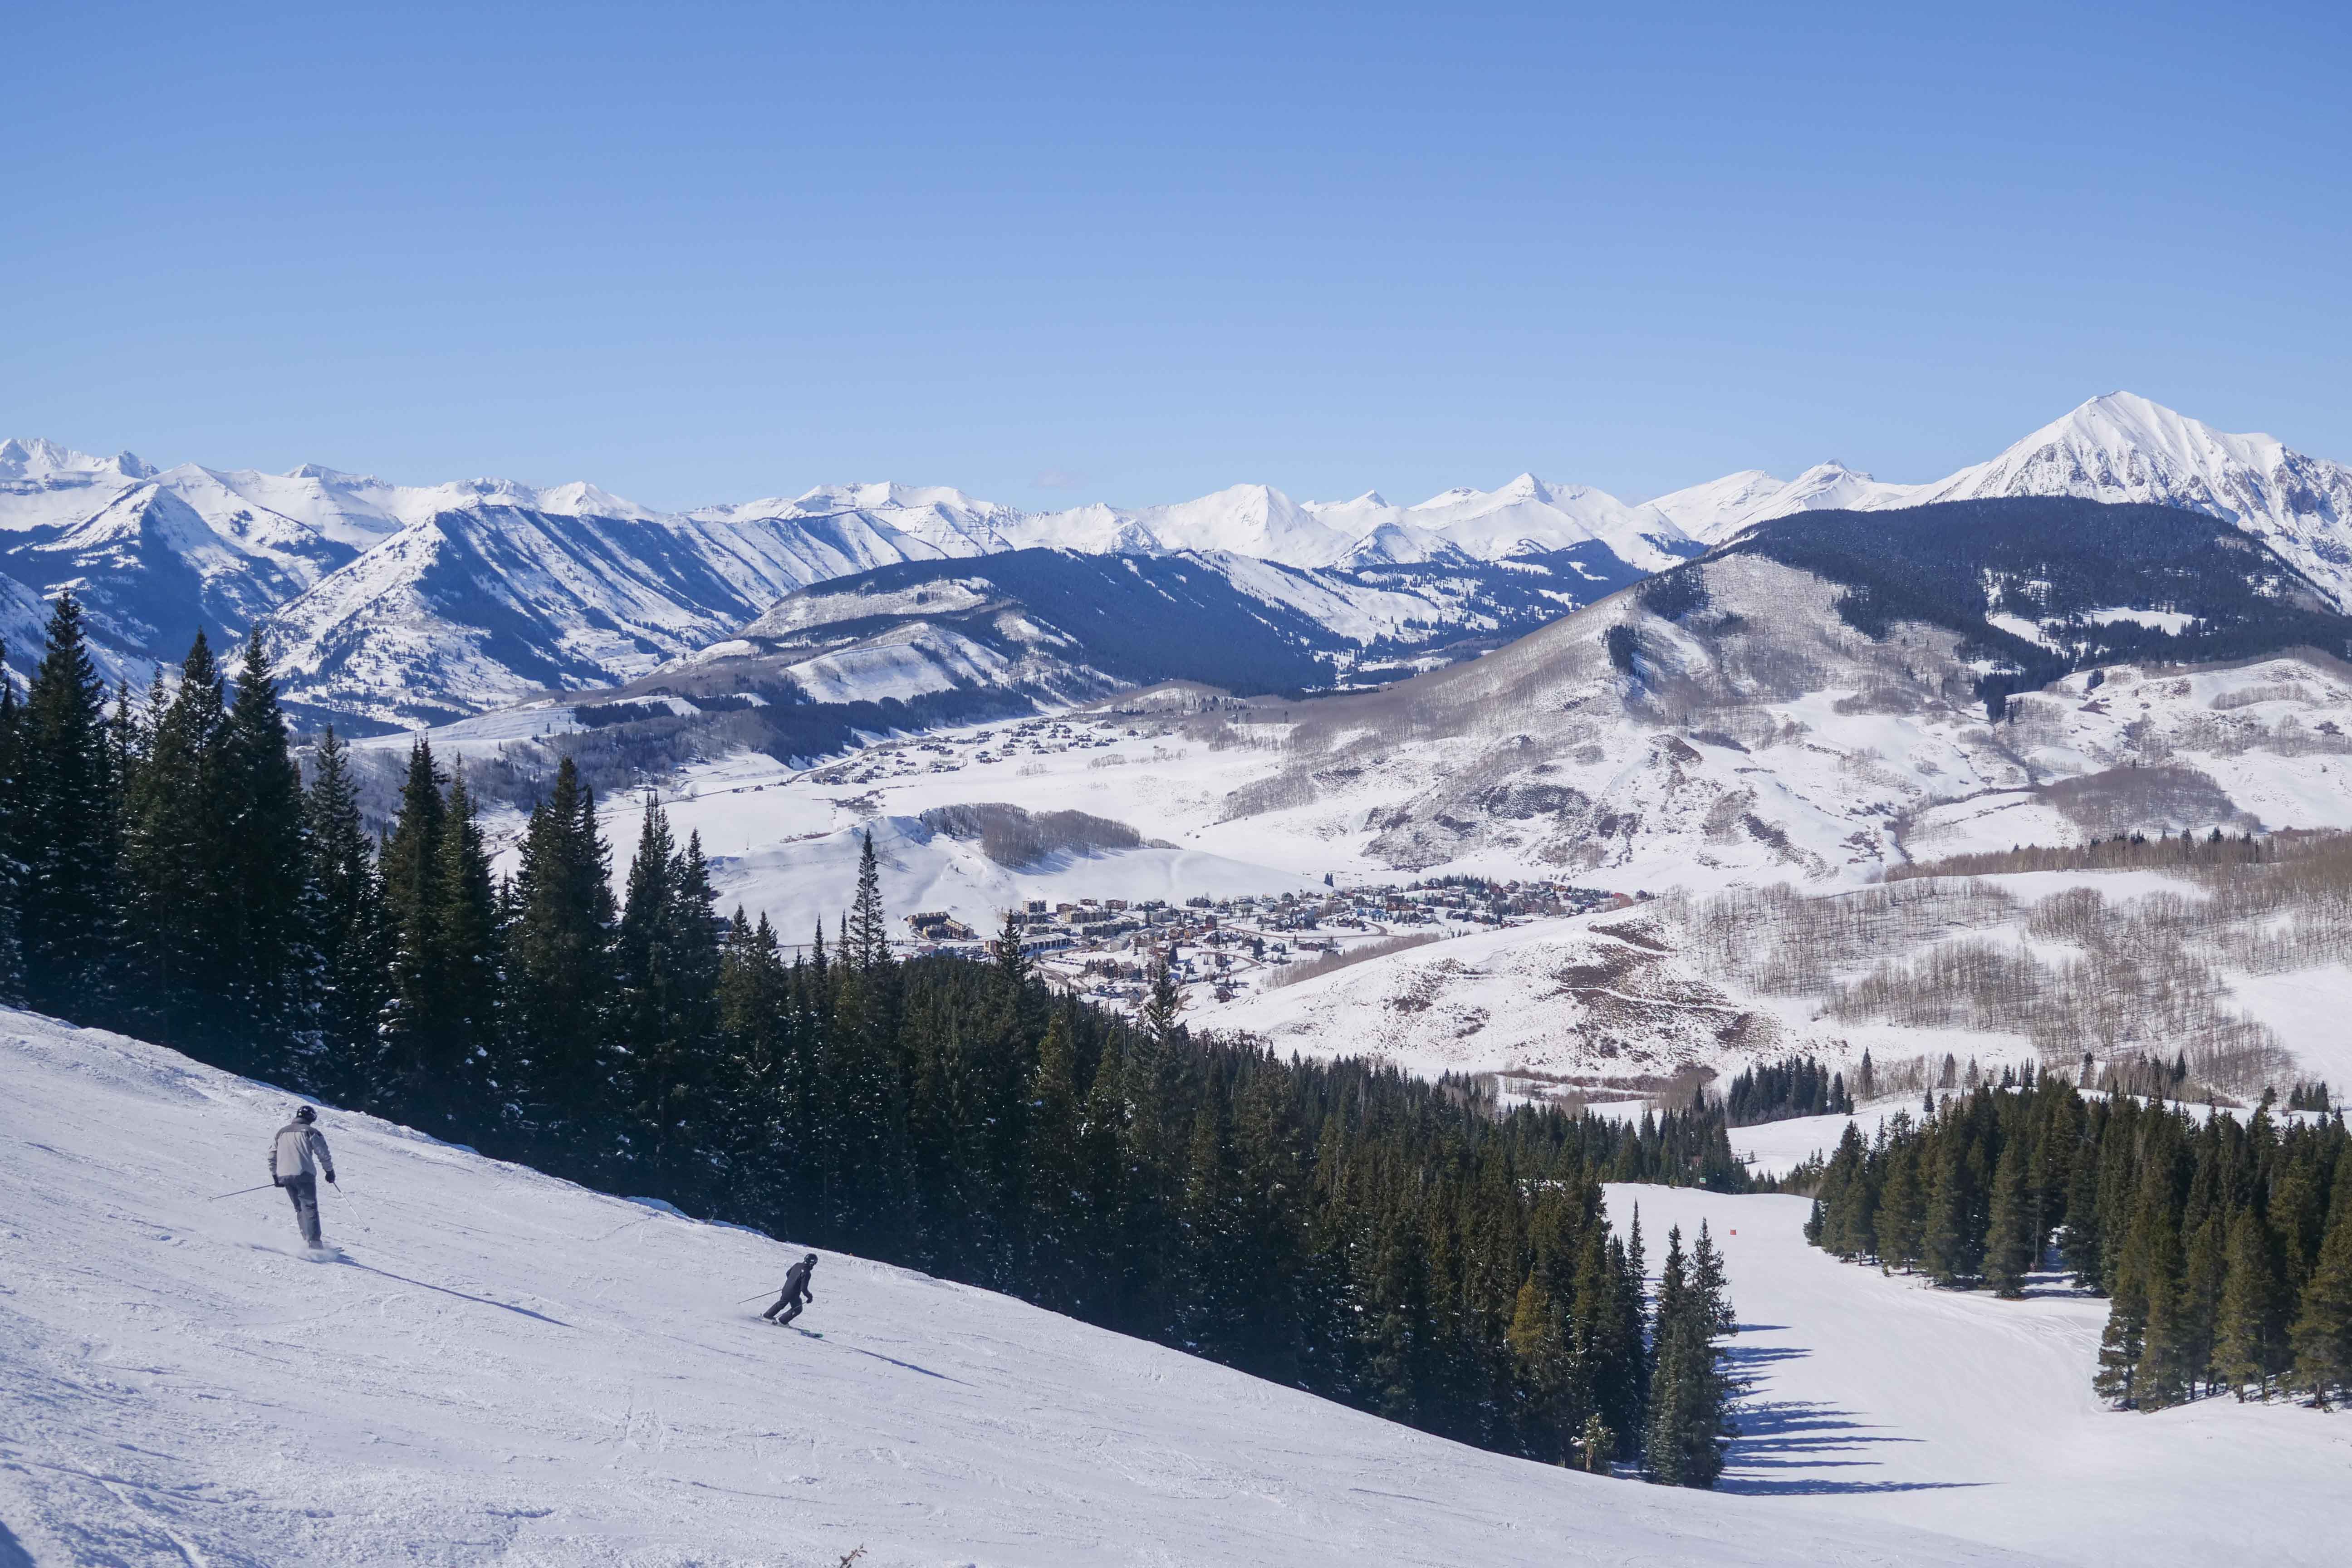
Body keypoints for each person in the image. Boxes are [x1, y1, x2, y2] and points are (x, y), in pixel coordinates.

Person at [270, 1105, 337, 1250]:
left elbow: (272, 1155)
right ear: (312, 1118)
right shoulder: (311, 1132)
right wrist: (329, 1171)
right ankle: (314, 1243)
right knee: (309, 1207)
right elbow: (323, 1153)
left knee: (299, 1208)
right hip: (304, 1174)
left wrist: (275, 1175)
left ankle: (306, 1240)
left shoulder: (281, 1132)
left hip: (284, 1175)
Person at [763, 1253, 818, 1326]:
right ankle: (783, 1322)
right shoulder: (807, 1273)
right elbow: (804, 1289)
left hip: (786, 1289)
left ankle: (768, 1316)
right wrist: (810, 1297)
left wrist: (791, 1283)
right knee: (798, 1309)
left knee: (782, 1303)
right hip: (794, 1293)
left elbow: (788, 1273)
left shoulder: (797, 1265)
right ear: (812, 1263)